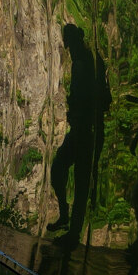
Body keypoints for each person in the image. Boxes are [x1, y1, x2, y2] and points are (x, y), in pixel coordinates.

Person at [46, 23, 96, 245]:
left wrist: (79, 113)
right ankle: (67, 219)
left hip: (84, 129)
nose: (67, 48)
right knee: (62, 168)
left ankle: (73, 231)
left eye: (67, 43)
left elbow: (88, 97)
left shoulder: (83, 62)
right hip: (81, 128)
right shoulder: (83, 61)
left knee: (78, 178)